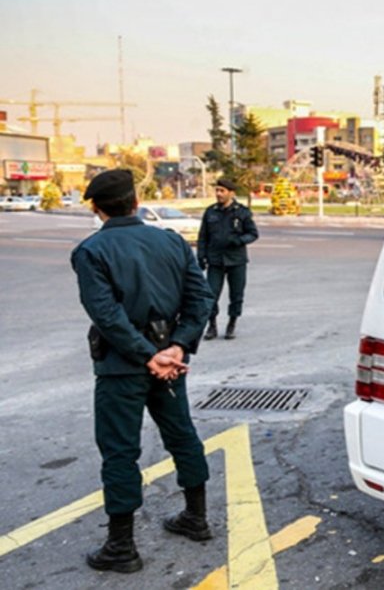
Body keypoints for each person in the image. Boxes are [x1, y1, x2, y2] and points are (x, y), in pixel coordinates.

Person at [71, 169, 216, 573]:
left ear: (97, 209)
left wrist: (146, 355)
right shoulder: (170, 240)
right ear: (136, 203)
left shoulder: (91, 251)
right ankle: (196, 517)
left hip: (122, 367)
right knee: (183, 436)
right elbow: (200, 299)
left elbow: (107, 316)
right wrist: (175, 346)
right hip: (169, 363)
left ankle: (121, 547)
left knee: (119, 451)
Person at [197, 177, 259, 340]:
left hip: (236, 260)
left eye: (222, 191)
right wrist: (201, 256)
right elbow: (203, 236)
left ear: (231, 193)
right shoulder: (210, 212)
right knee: (210, 294)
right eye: (217, 190)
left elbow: (253, 234)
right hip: (215, 261)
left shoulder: (241, 212)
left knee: (236, 295)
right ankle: (212, 325)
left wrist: (239, 241)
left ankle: (232, 323)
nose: (218, 194)